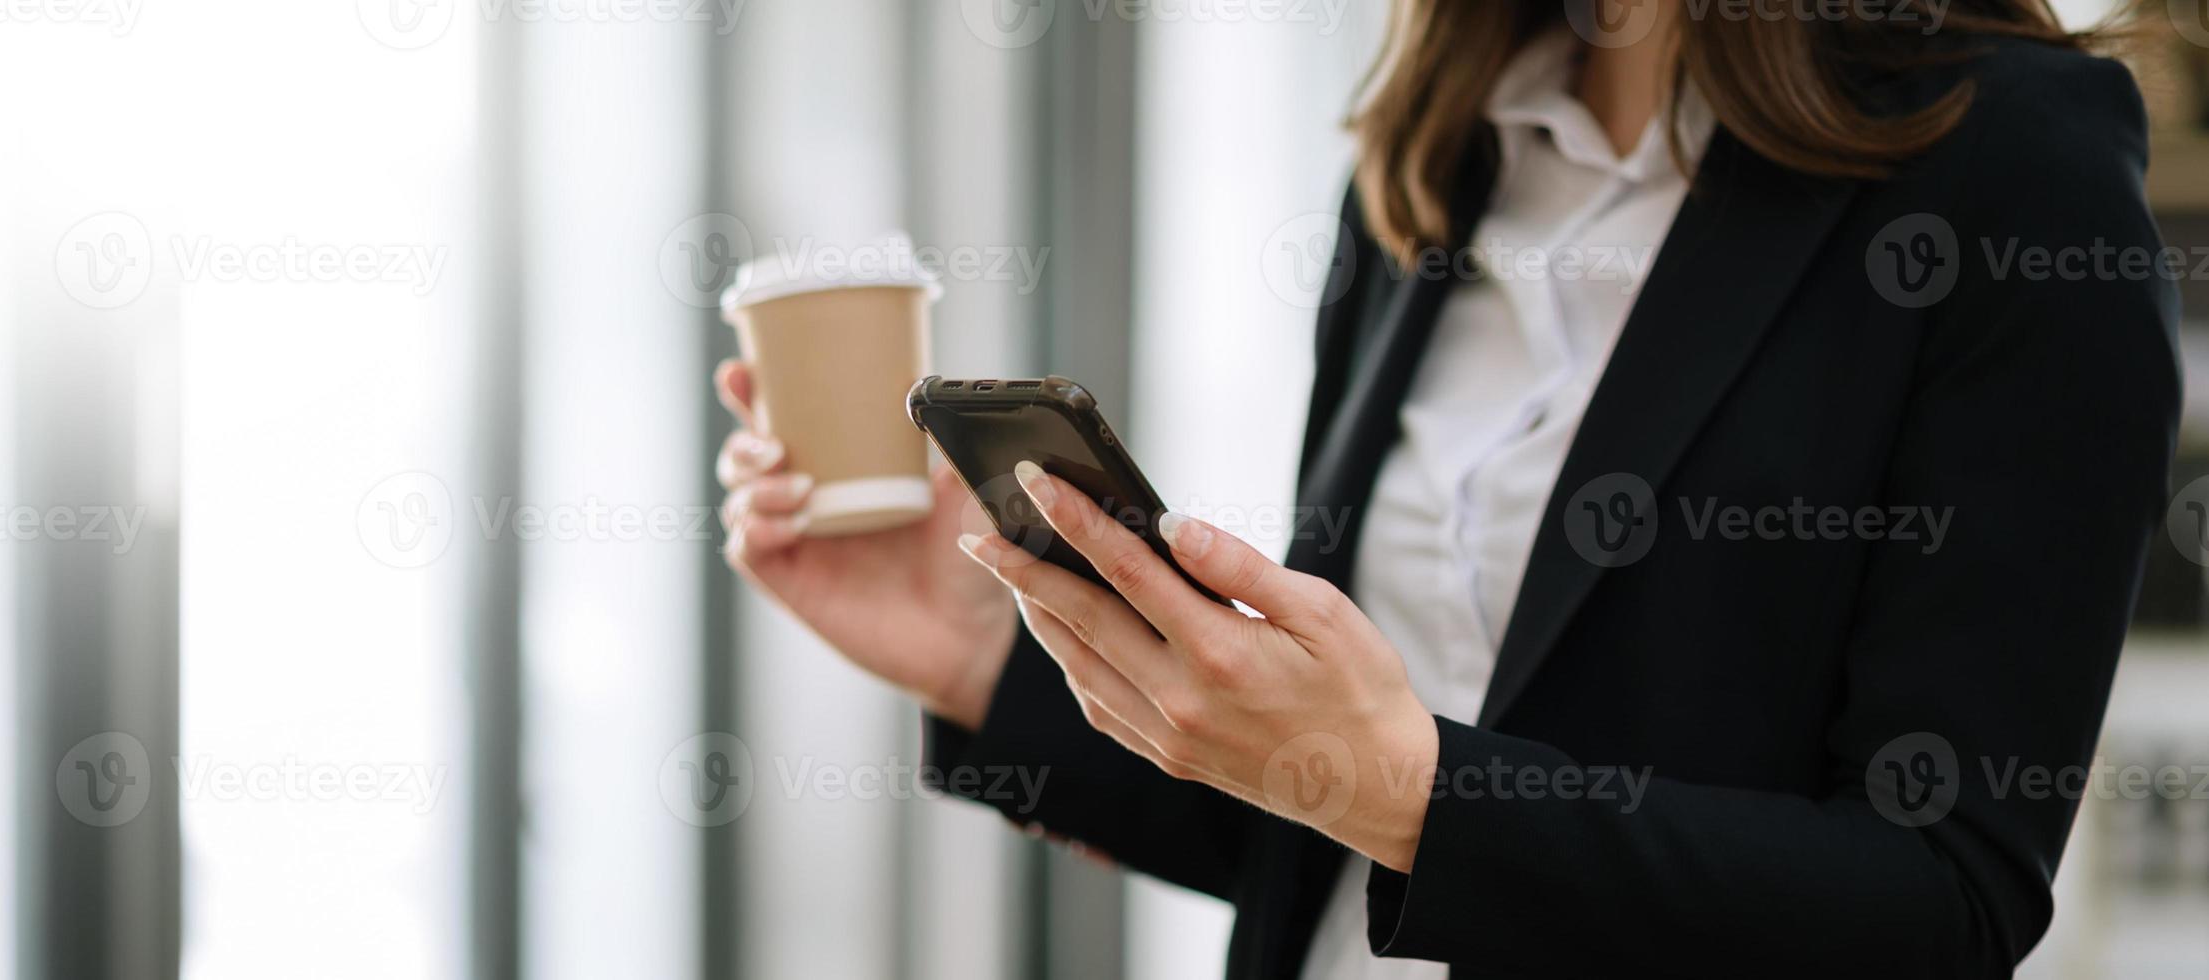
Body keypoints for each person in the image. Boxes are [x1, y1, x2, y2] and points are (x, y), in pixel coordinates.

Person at [715, 0, 2183, 975]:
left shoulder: (2003, 166)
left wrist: (1417, 791)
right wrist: (978, 658)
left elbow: (1942, 899)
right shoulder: (1431, 163)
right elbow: (1336, 834)